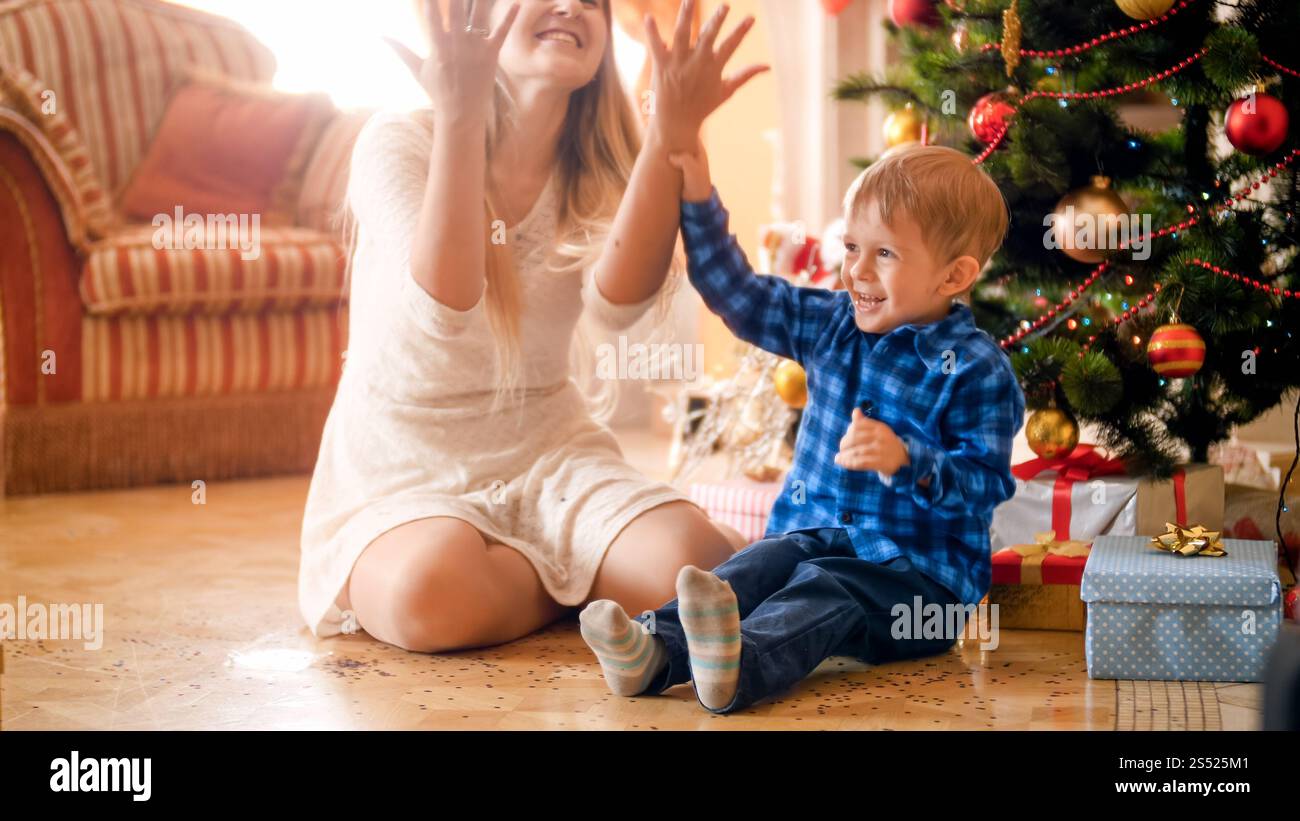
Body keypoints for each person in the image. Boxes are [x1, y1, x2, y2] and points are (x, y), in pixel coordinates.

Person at [298, 0, 766, 649]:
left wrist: (667, 132)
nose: (572, 6)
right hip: (406, 464)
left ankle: (534, 575)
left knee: (695, 562)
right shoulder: (397, 141)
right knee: (426, 596)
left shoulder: (599, 168)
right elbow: (445, 312)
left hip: (551, 454)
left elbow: (617, 307)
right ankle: (572, 581)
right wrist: (462, 115)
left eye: (594, 2)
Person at [580, 133, 1026, 713]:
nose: (857, 271)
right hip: (813, 535)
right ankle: (656, 651)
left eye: (884, 254)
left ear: (952, 276)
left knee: (827, 588)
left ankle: (740, 666)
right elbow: (740, 295)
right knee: (758, 564)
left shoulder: (977, 369)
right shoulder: (832, 324)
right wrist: (696, 193)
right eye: (851, 246)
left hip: (918, 585)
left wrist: (907, 459)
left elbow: (985, 486)